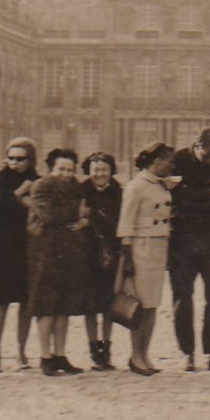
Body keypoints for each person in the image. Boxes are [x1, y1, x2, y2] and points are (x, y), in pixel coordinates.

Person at [168, 128, 210, 373]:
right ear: (197, 146)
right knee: (182, 298)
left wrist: (193, 191)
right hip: (182, 241)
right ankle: (187, 353)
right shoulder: (177, 160)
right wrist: (209, 191)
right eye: (206, 156)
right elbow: (175, 199)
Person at [27, 148, 90, 376]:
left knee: (65, 306)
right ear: (51, 169)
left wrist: (83, 221)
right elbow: (49, 216)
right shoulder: (41, 187)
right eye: (61, 169)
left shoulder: (77, 188)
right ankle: (45, 356)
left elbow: (83, 215)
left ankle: (60, 355)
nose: (65, 174)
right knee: (47, 307)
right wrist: (78, 213)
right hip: (47, 252)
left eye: (70, 170)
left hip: (70, 251)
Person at [117, 142, 177, 376]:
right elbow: (126, 223)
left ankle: (145, 353)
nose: (172, 165)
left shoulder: (162, 186)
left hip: (159, 247)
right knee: (139, 306)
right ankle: (135, 355)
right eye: (169, 160)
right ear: (156, 161)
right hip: (141, 250)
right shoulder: (136, 186)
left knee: (152, 305)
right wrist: (127, 257)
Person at [0, 137, 39, 371]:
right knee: (0, 302)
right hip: (4, 249)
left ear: (30, 160)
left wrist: (19, 199)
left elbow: (40, 206)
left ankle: (21, 350)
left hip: (29, 247)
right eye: (11, 158)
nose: (15, 163)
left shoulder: (38, 180)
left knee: (26, 303)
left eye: (20, 159)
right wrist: (21, 193)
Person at [78, 152, 123, 371]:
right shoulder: (81, 191)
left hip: (110, 254)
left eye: (104, 169)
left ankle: (106, 348)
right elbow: (76, 219)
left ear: (111, 170)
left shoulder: (119, 192)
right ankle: (93, 348)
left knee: (108, 305)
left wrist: (92, 218)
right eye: (95, 169)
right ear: (89, 170)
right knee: (89, 305)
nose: (100, 174)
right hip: (86, 254)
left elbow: (118, 223)